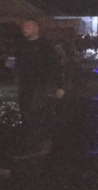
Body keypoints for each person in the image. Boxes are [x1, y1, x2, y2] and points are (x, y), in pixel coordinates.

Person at [12, 20, 64, 157]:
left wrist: (60, 86)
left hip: (41, 85)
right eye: (23, 26)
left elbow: (55, 65)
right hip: (25, 85)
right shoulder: (21, 45)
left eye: (27, 26)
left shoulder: (45, 45)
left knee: (37, 113)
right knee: (26, 113)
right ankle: (31, 144)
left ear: (36, 29)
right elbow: (18, 64)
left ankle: (42, 145)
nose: (24, 29)